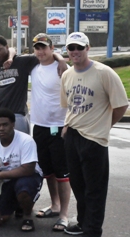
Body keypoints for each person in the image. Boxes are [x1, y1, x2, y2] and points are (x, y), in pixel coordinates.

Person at [60, 32, 128, 236]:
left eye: (79, 47)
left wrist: (105, 126)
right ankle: (82, 222)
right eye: (71, 48)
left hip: (94, 139)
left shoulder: (104, 73)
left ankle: (92, 229)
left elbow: (121, 105)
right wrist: (66, 127)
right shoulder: (67, 75)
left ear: (87, 48)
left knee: (95, 189)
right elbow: (69, 105)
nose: (75, 52)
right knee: (77, 184)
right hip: (72, 135)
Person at [29, 33, 71, 231]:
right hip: (39, 127)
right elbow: (12, 52)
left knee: (62, 173)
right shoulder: (34, 68)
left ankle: (64, 214)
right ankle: (54, 205)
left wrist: (68, 124)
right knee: (48, 172)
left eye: (44, 47)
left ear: (52, 48)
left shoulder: (62, 69)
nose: (41, 51)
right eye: (37, 47)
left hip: (59, 127)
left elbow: (72, 98)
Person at [0, 35, 66, 136]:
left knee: (21, 149)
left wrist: (61, 60)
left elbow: (46, 55)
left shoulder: (22, 61)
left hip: (18, 115)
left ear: (6, 47)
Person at [0, 108, 43, 232]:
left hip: (29, 177)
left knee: (23, 190)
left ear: (13, 124)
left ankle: (27, 216)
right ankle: (17, 205)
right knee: (0, 219)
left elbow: (28, 169)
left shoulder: (26, 140)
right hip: (8, 182)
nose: (1, 128)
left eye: (5, 124)